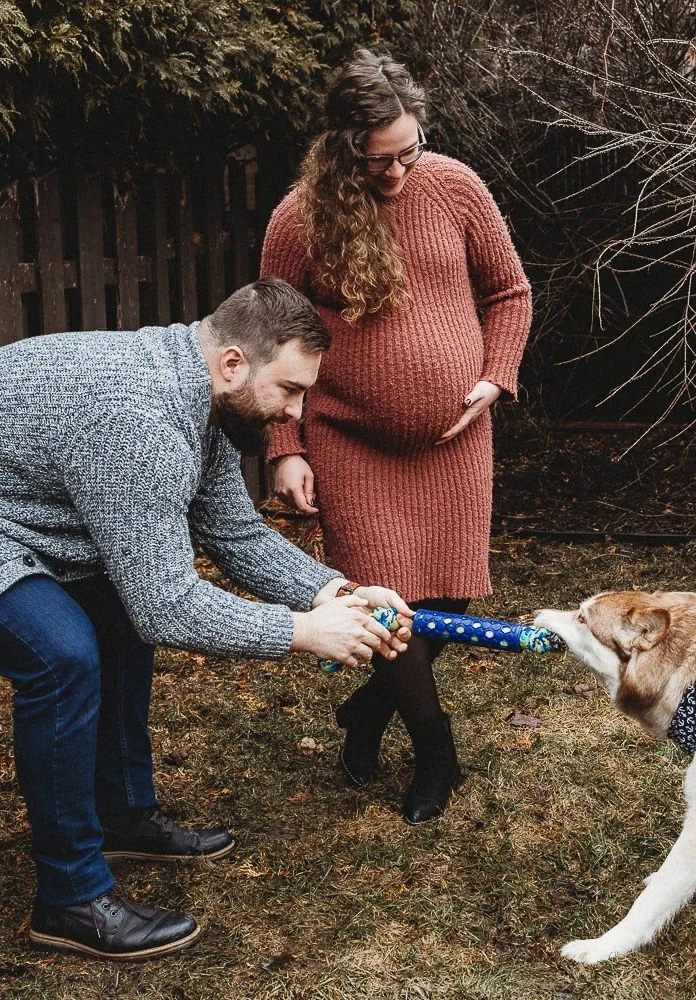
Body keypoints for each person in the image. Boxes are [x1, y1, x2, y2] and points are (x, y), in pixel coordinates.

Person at [0, 279, 413, 961]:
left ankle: (121, 813)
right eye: (289, 390)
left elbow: (236, 536)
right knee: (61, 656)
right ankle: (70, 897)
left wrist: (332, 590)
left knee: (114, 614)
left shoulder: (198, 402)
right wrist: (302, 633)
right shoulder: (139, 421)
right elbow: (167, 605)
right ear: (232, 364)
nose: (294, 413)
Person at [260, 50, 532, 824]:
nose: (399, 171)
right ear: (343, 150)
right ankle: (436, 753)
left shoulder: (454, 186)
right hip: (350, 440)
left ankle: (368, 712)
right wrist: (286, 447)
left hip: (455, 440)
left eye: (410, 150)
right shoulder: (299, 218)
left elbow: (510, 292)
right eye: (380, 160)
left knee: (446, 593)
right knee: (389, 606)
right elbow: (272, 335)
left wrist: (493, 377)